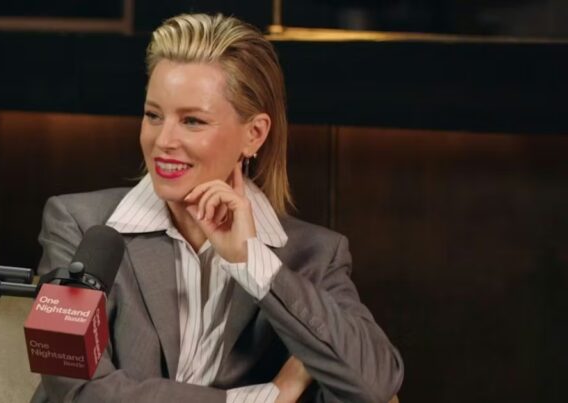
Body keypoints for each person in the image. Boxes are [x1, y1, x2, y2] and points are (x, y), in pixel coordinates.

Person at [31, 13, 403, 403]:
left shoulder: (315, 255)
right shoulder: (79, 225)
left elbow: (375, 387)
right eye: (153, 115)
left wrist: (252, 262)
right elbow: (74, 387)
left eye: (192, 121)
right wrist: (268, 398)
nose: (163, 140)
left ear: (254, 134)